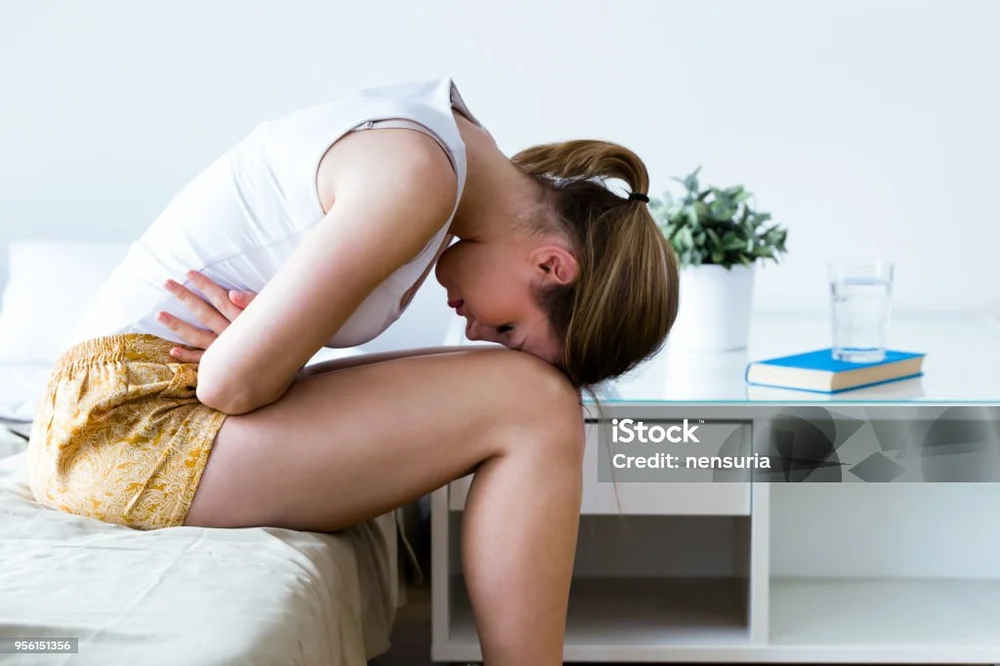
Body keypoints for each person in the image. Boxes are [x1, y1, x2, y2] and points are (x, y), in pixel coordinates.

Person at [27, 78, 679, 665]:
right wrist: (246, 356)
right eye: (510, 330)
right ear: (552, 266)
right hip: (123, 430)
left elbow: (247, 374)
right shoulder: (418, 175)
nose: (478, 334)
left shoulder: (443, 148)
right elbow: (228, 384)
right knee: (539, 404)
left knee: (539, 397)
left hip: (126, 410)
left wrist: (257, 349)